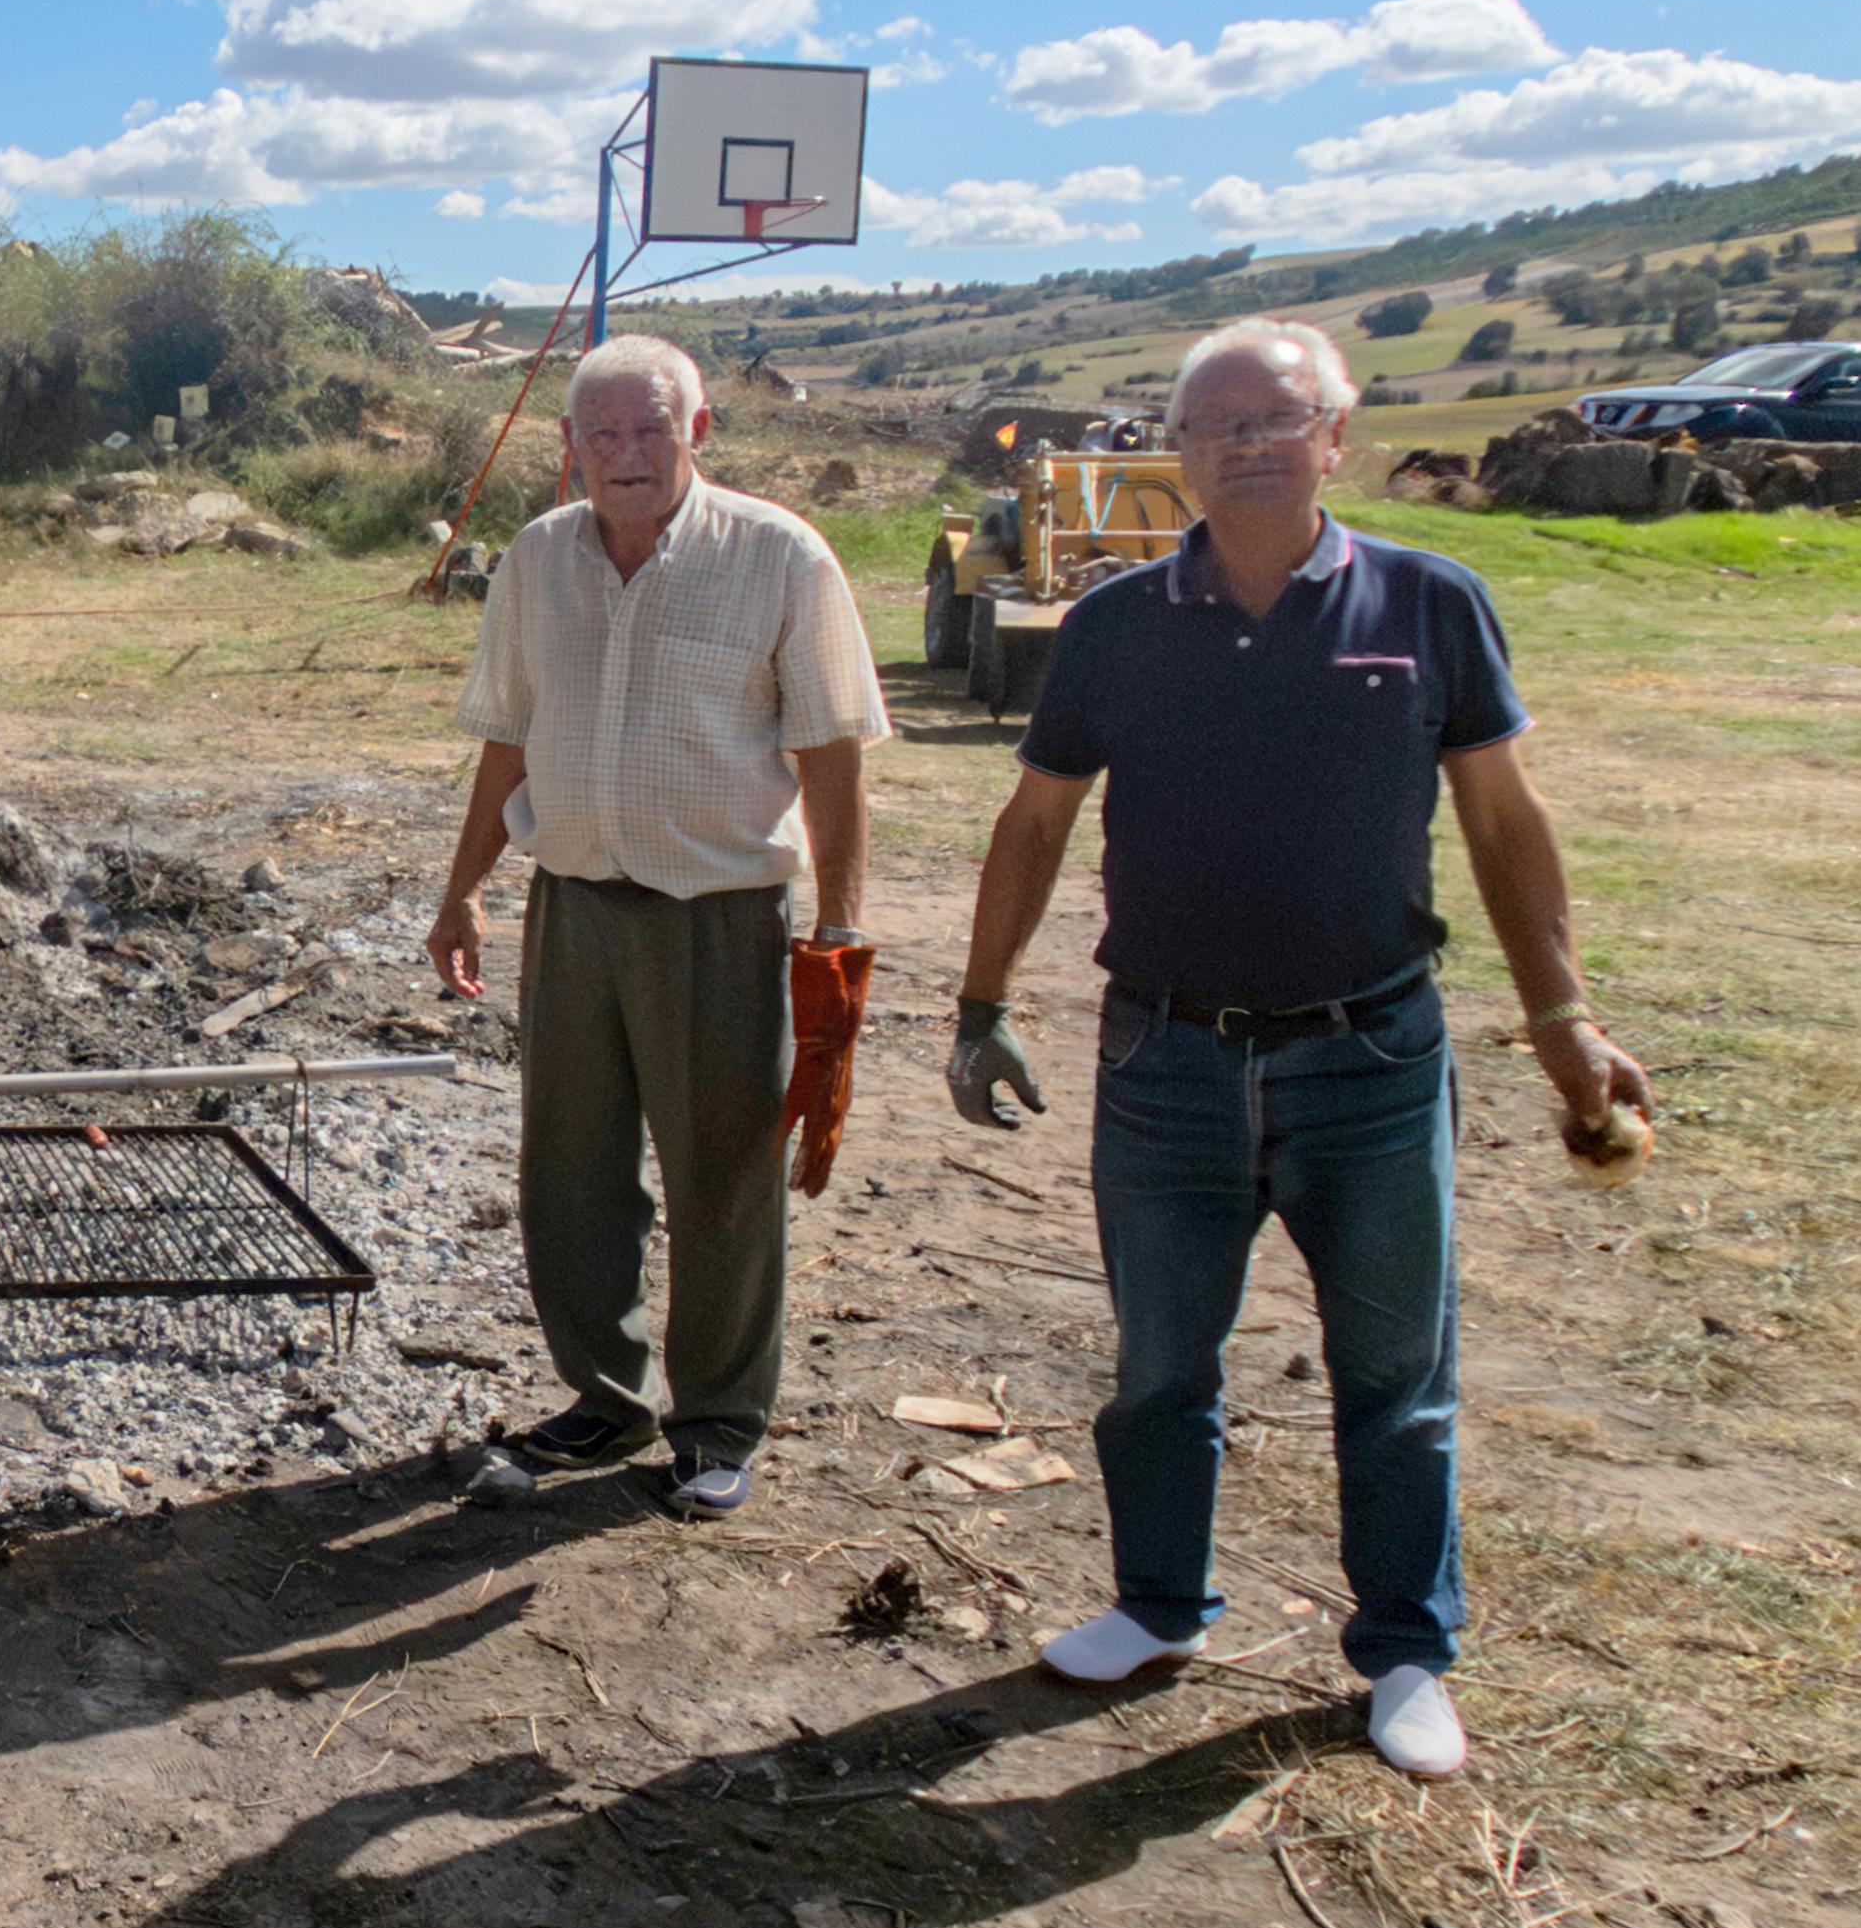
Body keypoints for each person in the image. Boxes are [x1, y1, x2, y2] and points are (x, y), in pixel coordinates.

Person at [947, 316, 1650, 1779]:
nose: (1248, 444)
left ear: (1336, 436)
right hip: (1166, 1061)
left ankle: (1401, 1650)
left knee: (1394, 1374)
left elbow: (1502, 822)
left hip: (1369, 1062)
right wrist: (978, 1003)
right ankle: (1155, 1606)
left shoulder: (1426, 602)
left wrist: (1559, 1019)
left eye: (1279, 419)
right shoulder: (1112, 626)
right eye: (1215, 424)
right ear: (1177, 451)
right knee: (1156, 1365)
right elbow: (1033, 821)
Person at [426, 335, 889, 1519]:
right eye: (601, 434)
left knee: (721, 1178)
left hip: (719, 921)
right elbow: (508, 737)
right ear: (566, 446)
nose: (625, 455)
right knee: (568, 1176)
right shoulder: (536, 560)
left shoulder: (776, 557)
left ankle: (718, 1420)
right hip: (573, 908)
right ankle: (603, 1397)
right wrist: (463, 886)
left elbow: (830, 757)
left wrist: (835, 936)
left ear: (698, 434)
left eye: (650, 429)